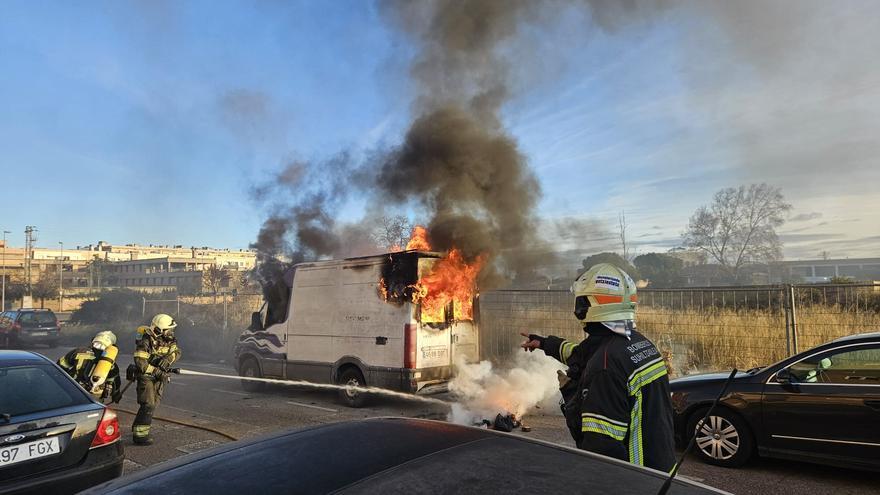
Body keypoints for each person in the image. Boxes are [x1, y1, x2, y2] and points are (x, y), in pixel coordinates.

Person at [521, 263, 676, 472]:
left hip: (637, 482)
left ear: (585, 306)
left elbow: (603, 451)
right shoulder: (638, 343)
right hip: (662, 470)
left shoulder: (605, 367)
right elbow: (581, 355)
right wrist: (545, 343)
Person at [131, 313, 182, 445]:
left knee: (154, 404)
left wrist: (167, 360)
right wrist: (158, 372)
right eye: (168, 330)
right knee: (148, 404)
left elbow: (177, 352)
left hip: (158, 377)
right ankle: (140, 437)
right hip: (146, 376)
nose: (171, 332)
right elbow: (140, 363)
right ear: (159, 330)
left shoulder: (169, 340)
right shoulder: (145, 341)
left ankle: (138, 429)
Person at [57, 330, 122, 403]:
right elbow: (115, 381)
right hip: (95, 396)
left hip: (73, 389)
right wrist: (116, 395)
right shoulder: (109, 363)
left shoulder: (78, 352)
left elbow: (59, 367)